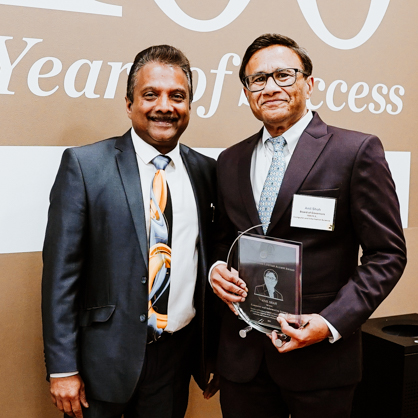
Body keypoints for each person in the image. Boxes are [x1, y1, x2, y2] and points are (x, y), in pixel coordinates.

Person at [210, 33, 406, 418]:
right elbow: (223, 240)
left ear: (309, 83)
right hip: (243, 361)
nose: (271, 87)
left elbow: (387, 254)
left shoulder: (354, 151)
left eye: (284, 75)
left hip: (320, 363)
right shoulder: (229, 160)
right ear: (247, 91)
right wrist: (217, 268)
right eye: (258, 79)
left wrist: (330, 322)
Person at [42, 44, 218, 418]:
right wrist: (62, 368)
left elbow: (207, 265)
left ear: (190, 105)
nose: (165, 106)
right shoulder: (85, 166)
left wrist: (212, 352)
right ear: (129, 103)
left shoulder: (207, 171)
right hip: (100, 363)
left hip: (175, 360)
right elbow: (61, 277)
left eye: (178, 96)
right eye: (150, 94)